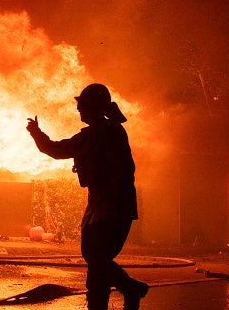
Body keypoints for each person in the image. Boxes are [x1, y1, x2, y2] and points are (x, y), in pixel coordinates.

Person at [26, 83, 148, 310]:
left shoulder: (112, 133)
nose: (79, 111)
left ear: (94, 108)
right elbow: (55, 149)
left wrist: (111, 200)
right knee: (92, 256)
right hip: (98, 206)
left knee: (97, 261)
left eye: (83, 106)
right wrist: (36, 132)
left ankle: (112, 298)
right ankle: (131, 289)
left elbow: (122, 172)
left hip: (114, 206)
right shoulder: (89, 137)